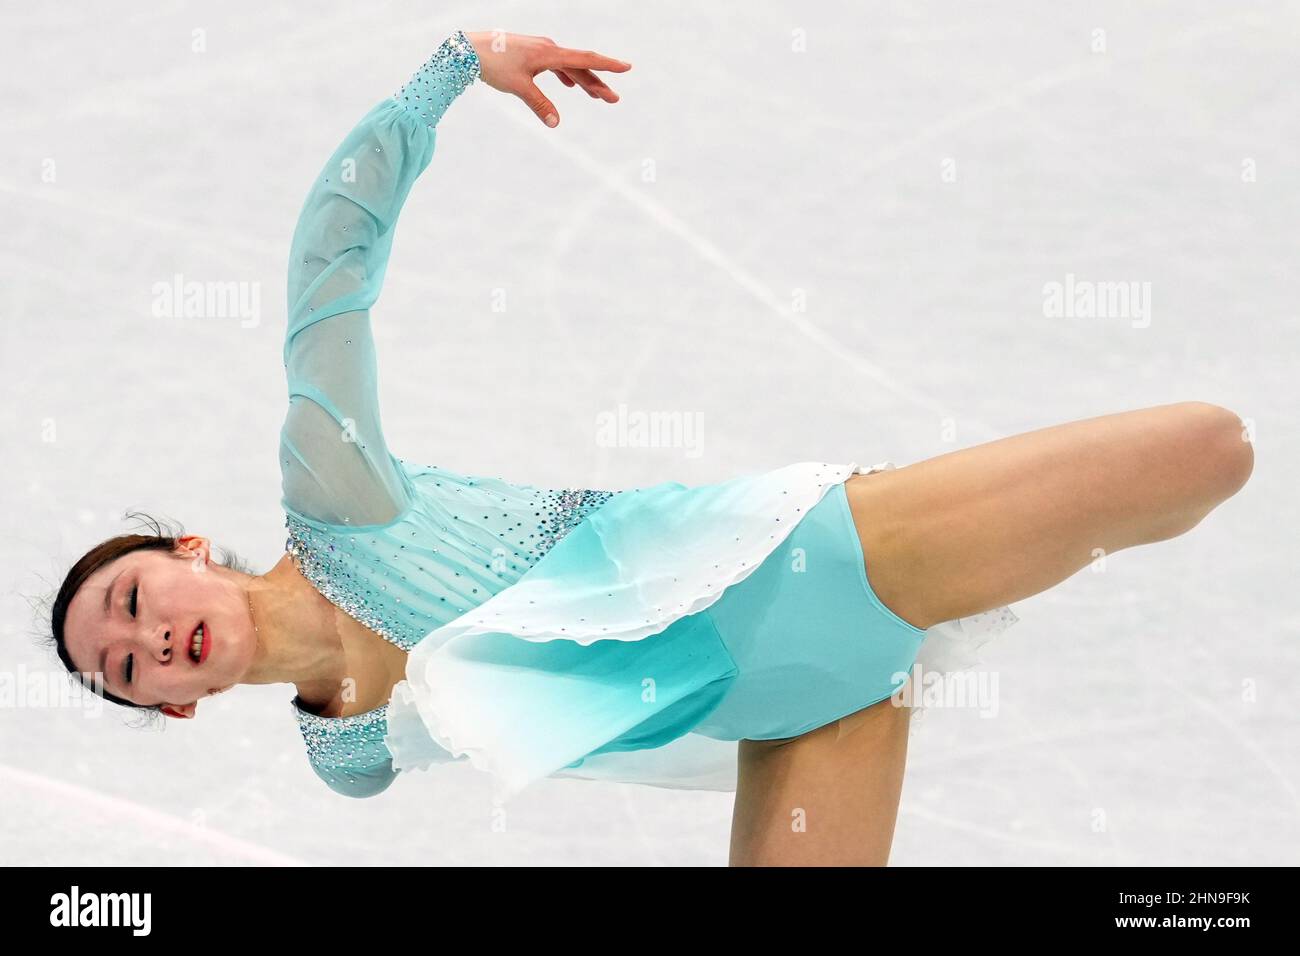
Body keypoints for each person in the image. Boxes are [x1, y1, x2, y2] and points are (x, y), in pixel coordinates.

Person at [47, 28, 1254, 866]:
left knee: (1210, 450)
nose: (146, 638)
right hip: (800, 727)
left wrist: (450, 71)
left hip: (824, 557)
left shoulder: (335, 493)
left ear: (190, 550)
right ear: (175, 704)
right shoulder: (347, 754)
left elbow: (330, 266)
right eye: (126, 668)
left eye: (133, 596)